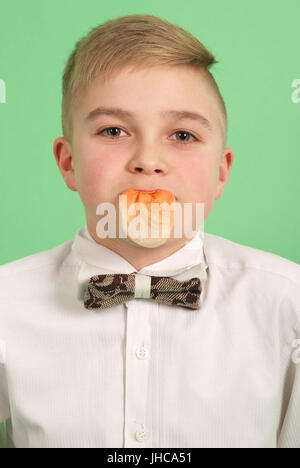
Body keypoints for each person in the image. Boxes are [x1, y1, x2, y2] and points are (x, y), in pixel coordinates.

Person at [0, 13, 299, 449]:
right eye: (114, 130)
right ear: (68, 163)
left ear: (221, 172)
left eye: (181, 134)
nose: (148, 160)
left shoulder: (288, 305)